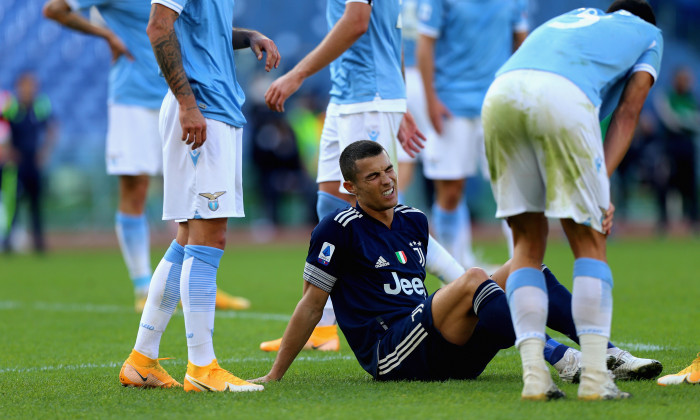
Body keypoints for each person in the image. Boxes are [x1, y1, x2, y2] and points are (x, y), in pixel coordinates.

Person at [250, 141, 660, 387]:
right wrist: (275, 375)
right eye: (373, 176)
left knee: (525, 269)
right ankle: (557, 357)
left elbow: (455, 280)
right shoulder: (337, 228)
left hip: (442, 344)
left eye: (389, 169)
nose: (387, 179)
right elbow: (310, 304)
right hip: (391, 351)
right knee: (476, 278)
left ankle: (608, 354)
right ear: (350, 187)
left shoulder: (413, 219)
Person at [481, 0, 663, 400]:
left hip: (500, 93)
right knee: (589, 242)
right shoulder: (649, 34)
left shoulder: (574, 18)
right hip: (562, 95)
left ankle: (534, 378)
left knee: (527, 245)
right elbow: (628, 113)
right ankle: (596, 380)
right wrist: (602, 185)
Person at [43, 0, 251, 312]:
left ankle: (199, 285)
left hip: (186, 92)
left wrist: (249, 37)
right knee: (136, 187)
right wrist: (106, 36)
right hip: (135, 98)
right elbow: (54, 9)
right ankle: (142, 287)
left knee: (194, 198)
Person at [116, 0, 280, 392]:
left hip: (212, 106)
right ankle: (202, 368)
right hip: (201, 108)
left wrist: (249, 37)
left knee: (189, 239)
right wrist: (189, 106)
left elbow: (201, 31)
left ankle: (142, 360)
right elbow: (159, 27)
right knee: (209, 238)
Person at [260, 0, 425, 352]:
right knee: (331, 203)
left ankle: (472, 289)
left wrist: (296, 75)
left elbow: (357, 22)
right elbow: (388, 33)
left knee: (383, 213)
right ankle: (321, 328)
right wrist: (401, 99)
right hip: (350, 95)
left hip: (367, 96)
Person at [415, 0, 526, 268]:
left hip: (499, 104)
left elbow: (522, 43)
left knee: (512, 190)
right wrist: (430, 100)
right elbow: (424, 45)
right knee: (450, 191)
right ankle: (457, 270)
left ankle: (523, 267)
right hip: (452, 104)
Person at [2, 73, 56, 254]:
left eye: (31, 85)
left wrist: (44, 152)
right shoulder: (12, 108)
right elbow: (3, 127)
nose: (28, 89)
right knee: (13, 204)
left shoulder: (40, 107)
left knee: (36, 205)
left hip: (33, 162)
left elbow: (52, 128)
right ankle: (8, 241)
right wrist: (8, 151)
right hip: (16, 165)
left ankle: (39, 243)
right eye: (25, 85)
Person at [652, 66, 700, 234]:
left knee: (690, 186)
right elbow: (670, 121)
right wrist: (687, 121)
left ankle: (694, 222)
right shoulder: (665, 97)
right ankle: (663, 223)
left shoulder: (692, 99)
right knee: (664, 185)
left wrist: (686, 121)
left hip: (687, 149)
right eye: (682, 79)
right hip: (669, 148)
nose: (685, 83)